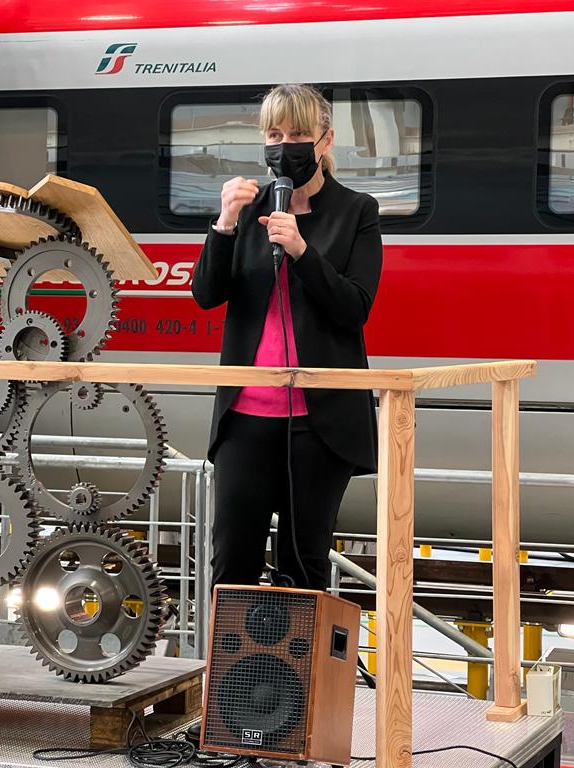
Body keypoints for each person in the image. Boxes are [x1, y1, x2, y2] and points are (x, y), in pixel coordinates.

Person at [192, 84, 382, 591]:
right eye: (274, 135)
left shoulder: (357, 211)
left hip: (320, 423)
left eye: (298, 134)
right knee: (232, 561)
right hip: (246, 417)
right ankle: (232, 649)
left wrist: (302, 251)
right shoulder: (250, 208)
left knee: (304, 565)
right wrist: (224, 225)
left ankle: (296, 649)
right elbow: (206, 294)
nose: (284, 146)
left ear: (325, 140)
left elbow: (354, 308)